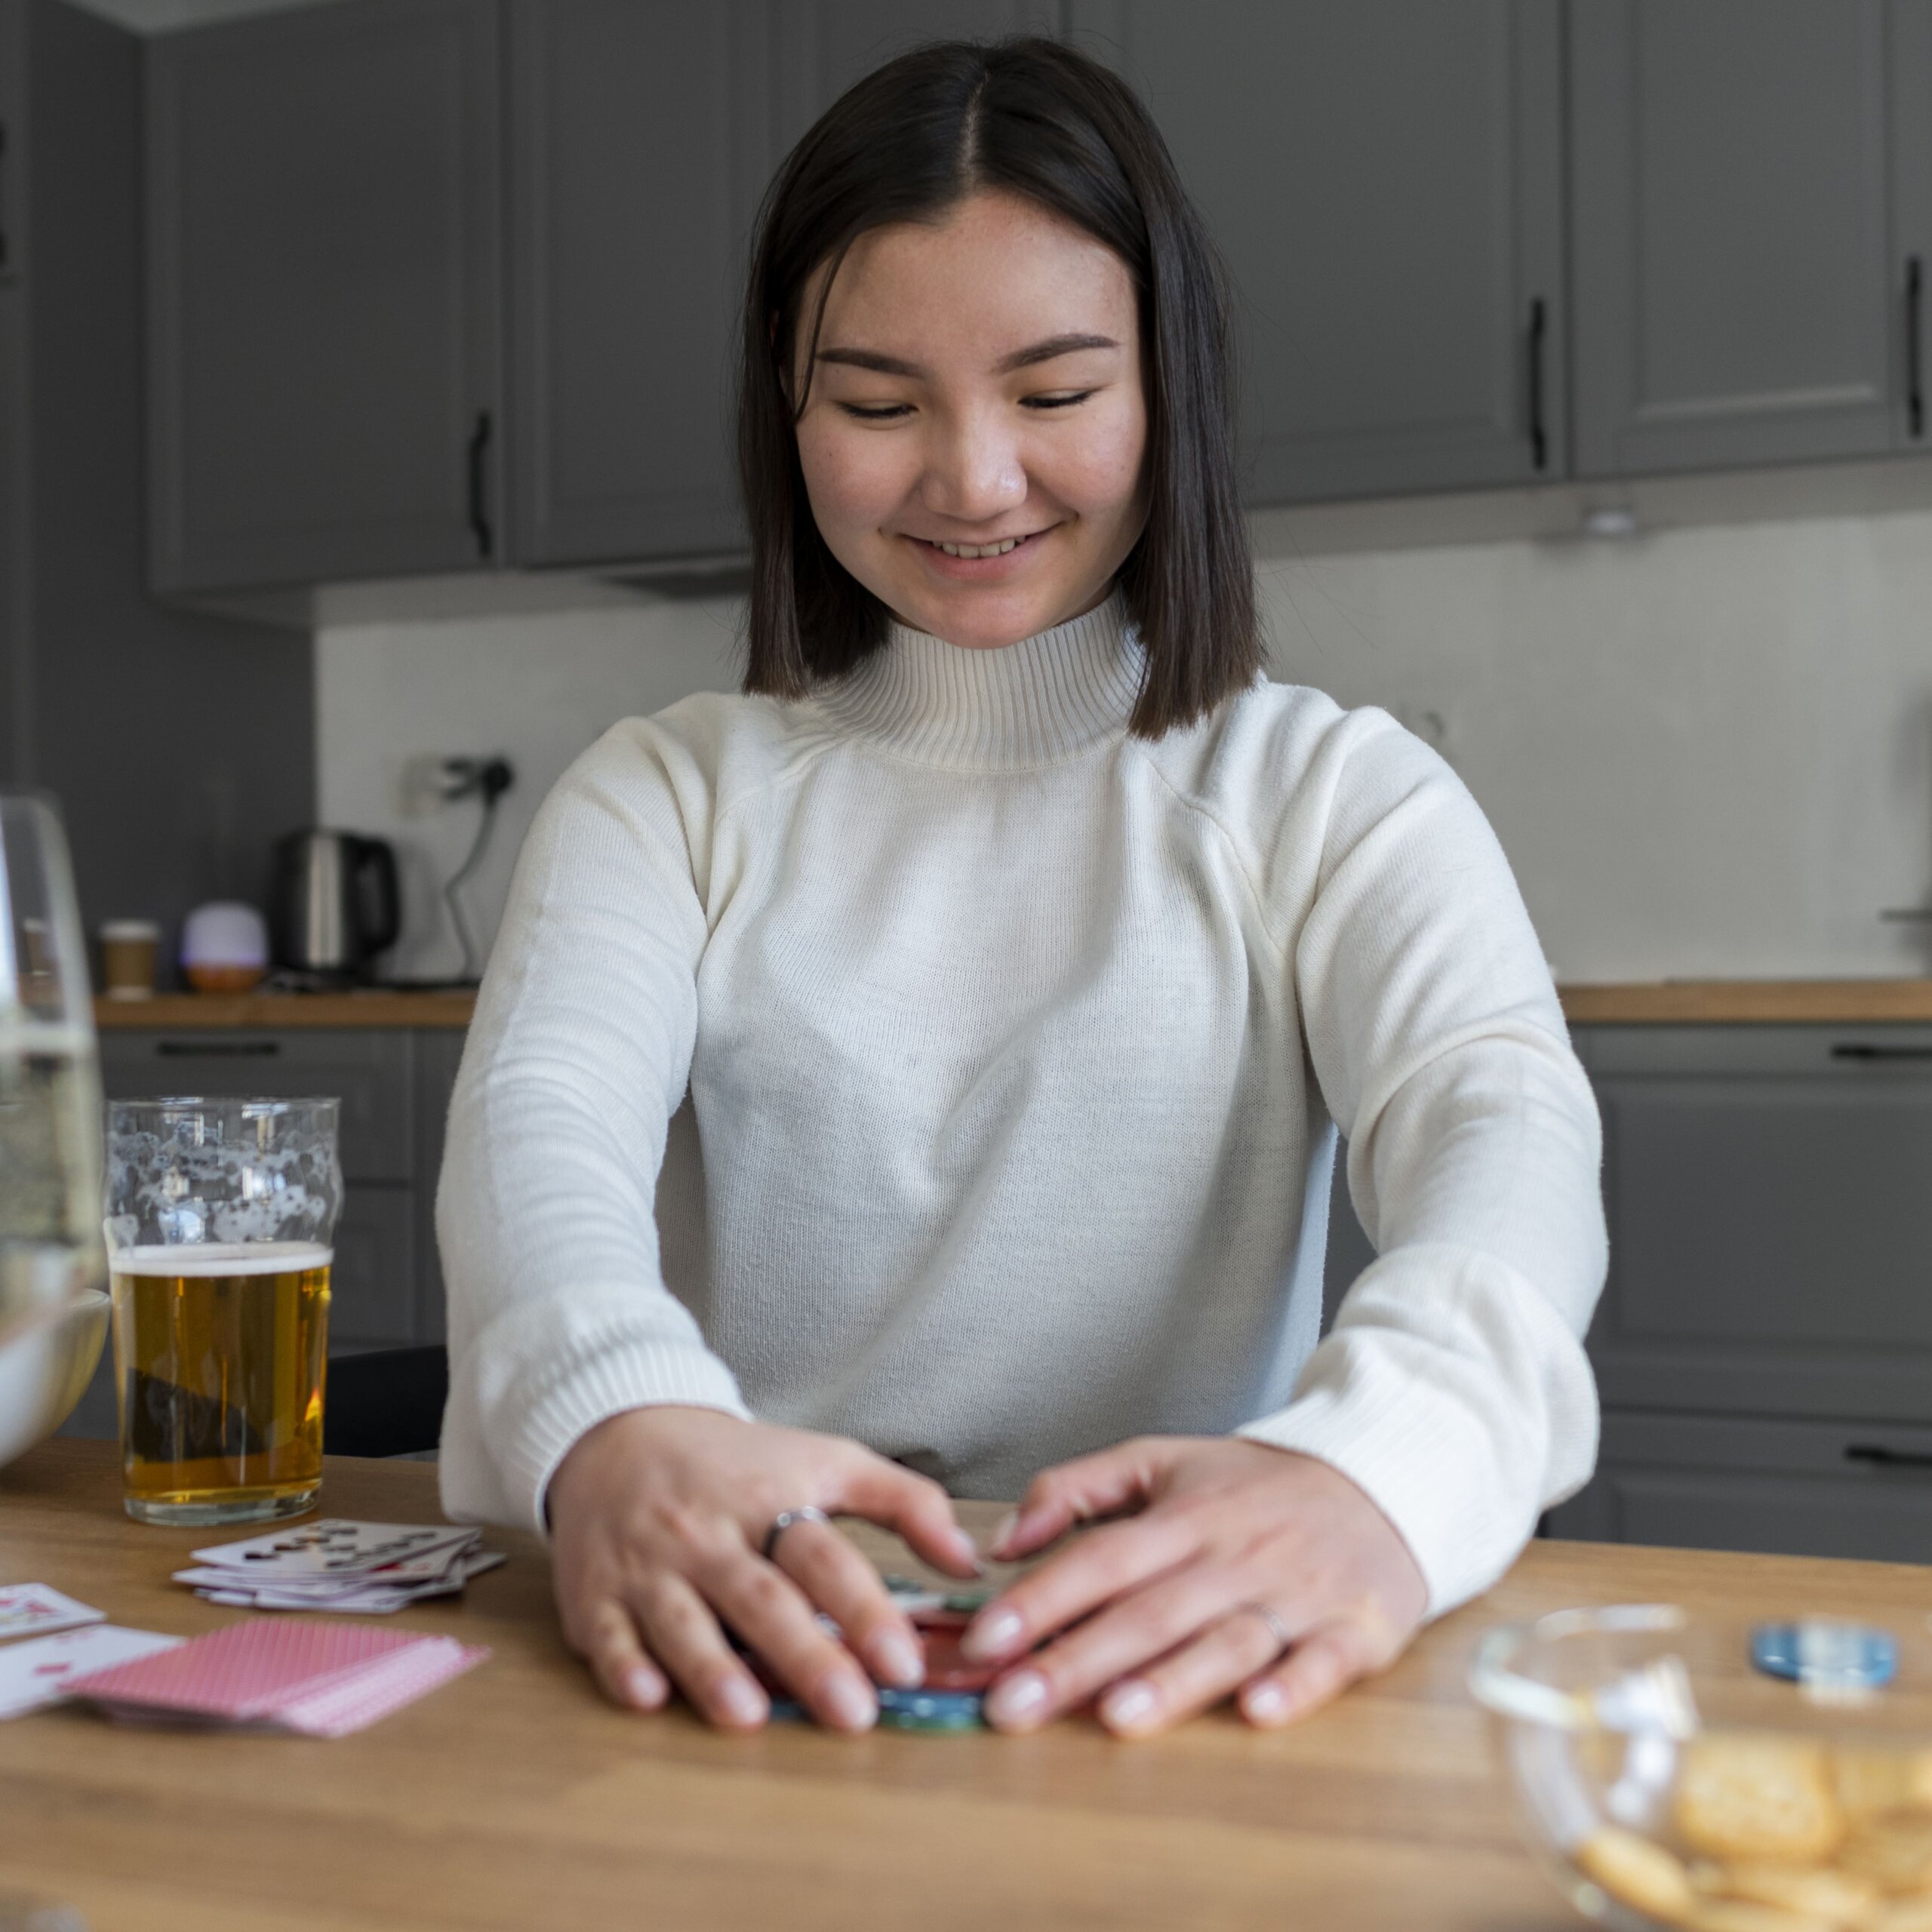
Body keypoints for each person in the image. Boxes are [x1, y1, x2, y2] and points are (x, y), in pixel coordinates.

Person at [435, 38, 1606, 1741]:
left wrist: (1375, 1471)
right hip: (753, 1653)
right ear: (785, 404)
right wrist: (609, 1419)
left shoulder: (1329, 794)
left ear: (1165, 393)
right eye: (874, 402)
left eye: (1053, 395)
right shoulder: (663, 793)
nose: (972, 479)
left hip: (1181, 1671)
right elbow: (536, 1129)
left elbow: (1503, 1133)